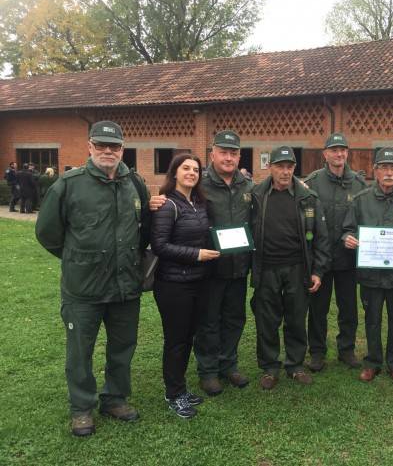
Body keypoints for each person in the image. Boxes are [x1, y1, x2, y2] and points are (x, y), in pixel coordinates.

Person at [35, 121, 150, 437]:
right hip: (83, 290)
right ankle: (82, 408)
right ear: (89, 147)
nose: (108, 151)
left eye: (114, 146)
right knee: (80, 352)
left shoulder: (134, 184)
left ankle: (115, 398)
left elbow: (145, 230)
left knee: (123, 346)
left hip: (126, 286)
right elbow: (47, 233)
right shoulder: (68, 184)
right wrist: (77, 259)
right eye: (101, 145)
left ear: (122, 150)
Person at [150, 131, 253, 396]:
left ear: (239, 156)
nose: (228, 157)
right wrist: (156, 200)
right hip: (209, 269)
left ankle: (228, 365)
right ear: (213, 155)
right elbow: (176, 204)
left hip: (239, 266)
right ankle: (208, 371)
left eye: (233, 153)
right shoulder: (200, 184)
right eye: (223, 152)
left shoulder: (248, 185)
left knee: (234, 319)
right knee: (209, 321)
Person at [342, 148, 393, 385]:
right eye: (384, 168)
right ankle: (372, 362)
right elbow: (348, 229)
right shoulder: (362, 200)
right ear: (376, 171)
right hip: (371, 274)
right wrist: (347, 239)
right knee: (372, 319)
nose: (389, 173)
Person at [250, 146, 330, 390]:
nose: (285, 172)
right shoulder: (256, 196)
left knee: (296, 318)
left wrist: (318, 270)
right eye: (280, 166)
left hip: (298, 268)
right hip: (266, 269)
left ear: (294, 168)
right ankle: (269, 367)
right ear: (270, 167)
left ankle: (295, 364)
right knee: (267, 320)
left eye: (289, 167)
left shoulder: (308, 197)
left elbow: (321, 238)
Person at [151, 153, 219, 418]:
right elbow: (160, 246)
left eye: (196, 169)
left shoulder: (199, 204)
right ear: (175, 173)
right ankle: (174, 394)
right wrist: (196, 255)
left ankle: (180, 388)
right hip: (173, 285)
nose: (192, 173)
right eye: (186, 168)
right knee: (176, 341)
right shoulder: (167, 205)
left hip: (198, 283)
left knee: (188, 337)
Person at [302, 132, 367, 372]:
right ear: (325, 154)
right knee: (317, 308)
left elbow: (365, 219)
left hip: (348, 259)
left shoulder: (359, 184)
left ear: (347, 153)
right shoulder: (313, 182)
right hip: (321, 259)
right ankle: (317, 352)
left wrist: (359, 238)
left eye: (343, 150)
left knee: (348, 307)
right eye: (334, 150)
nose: (339, 154)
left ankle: (346, 349)